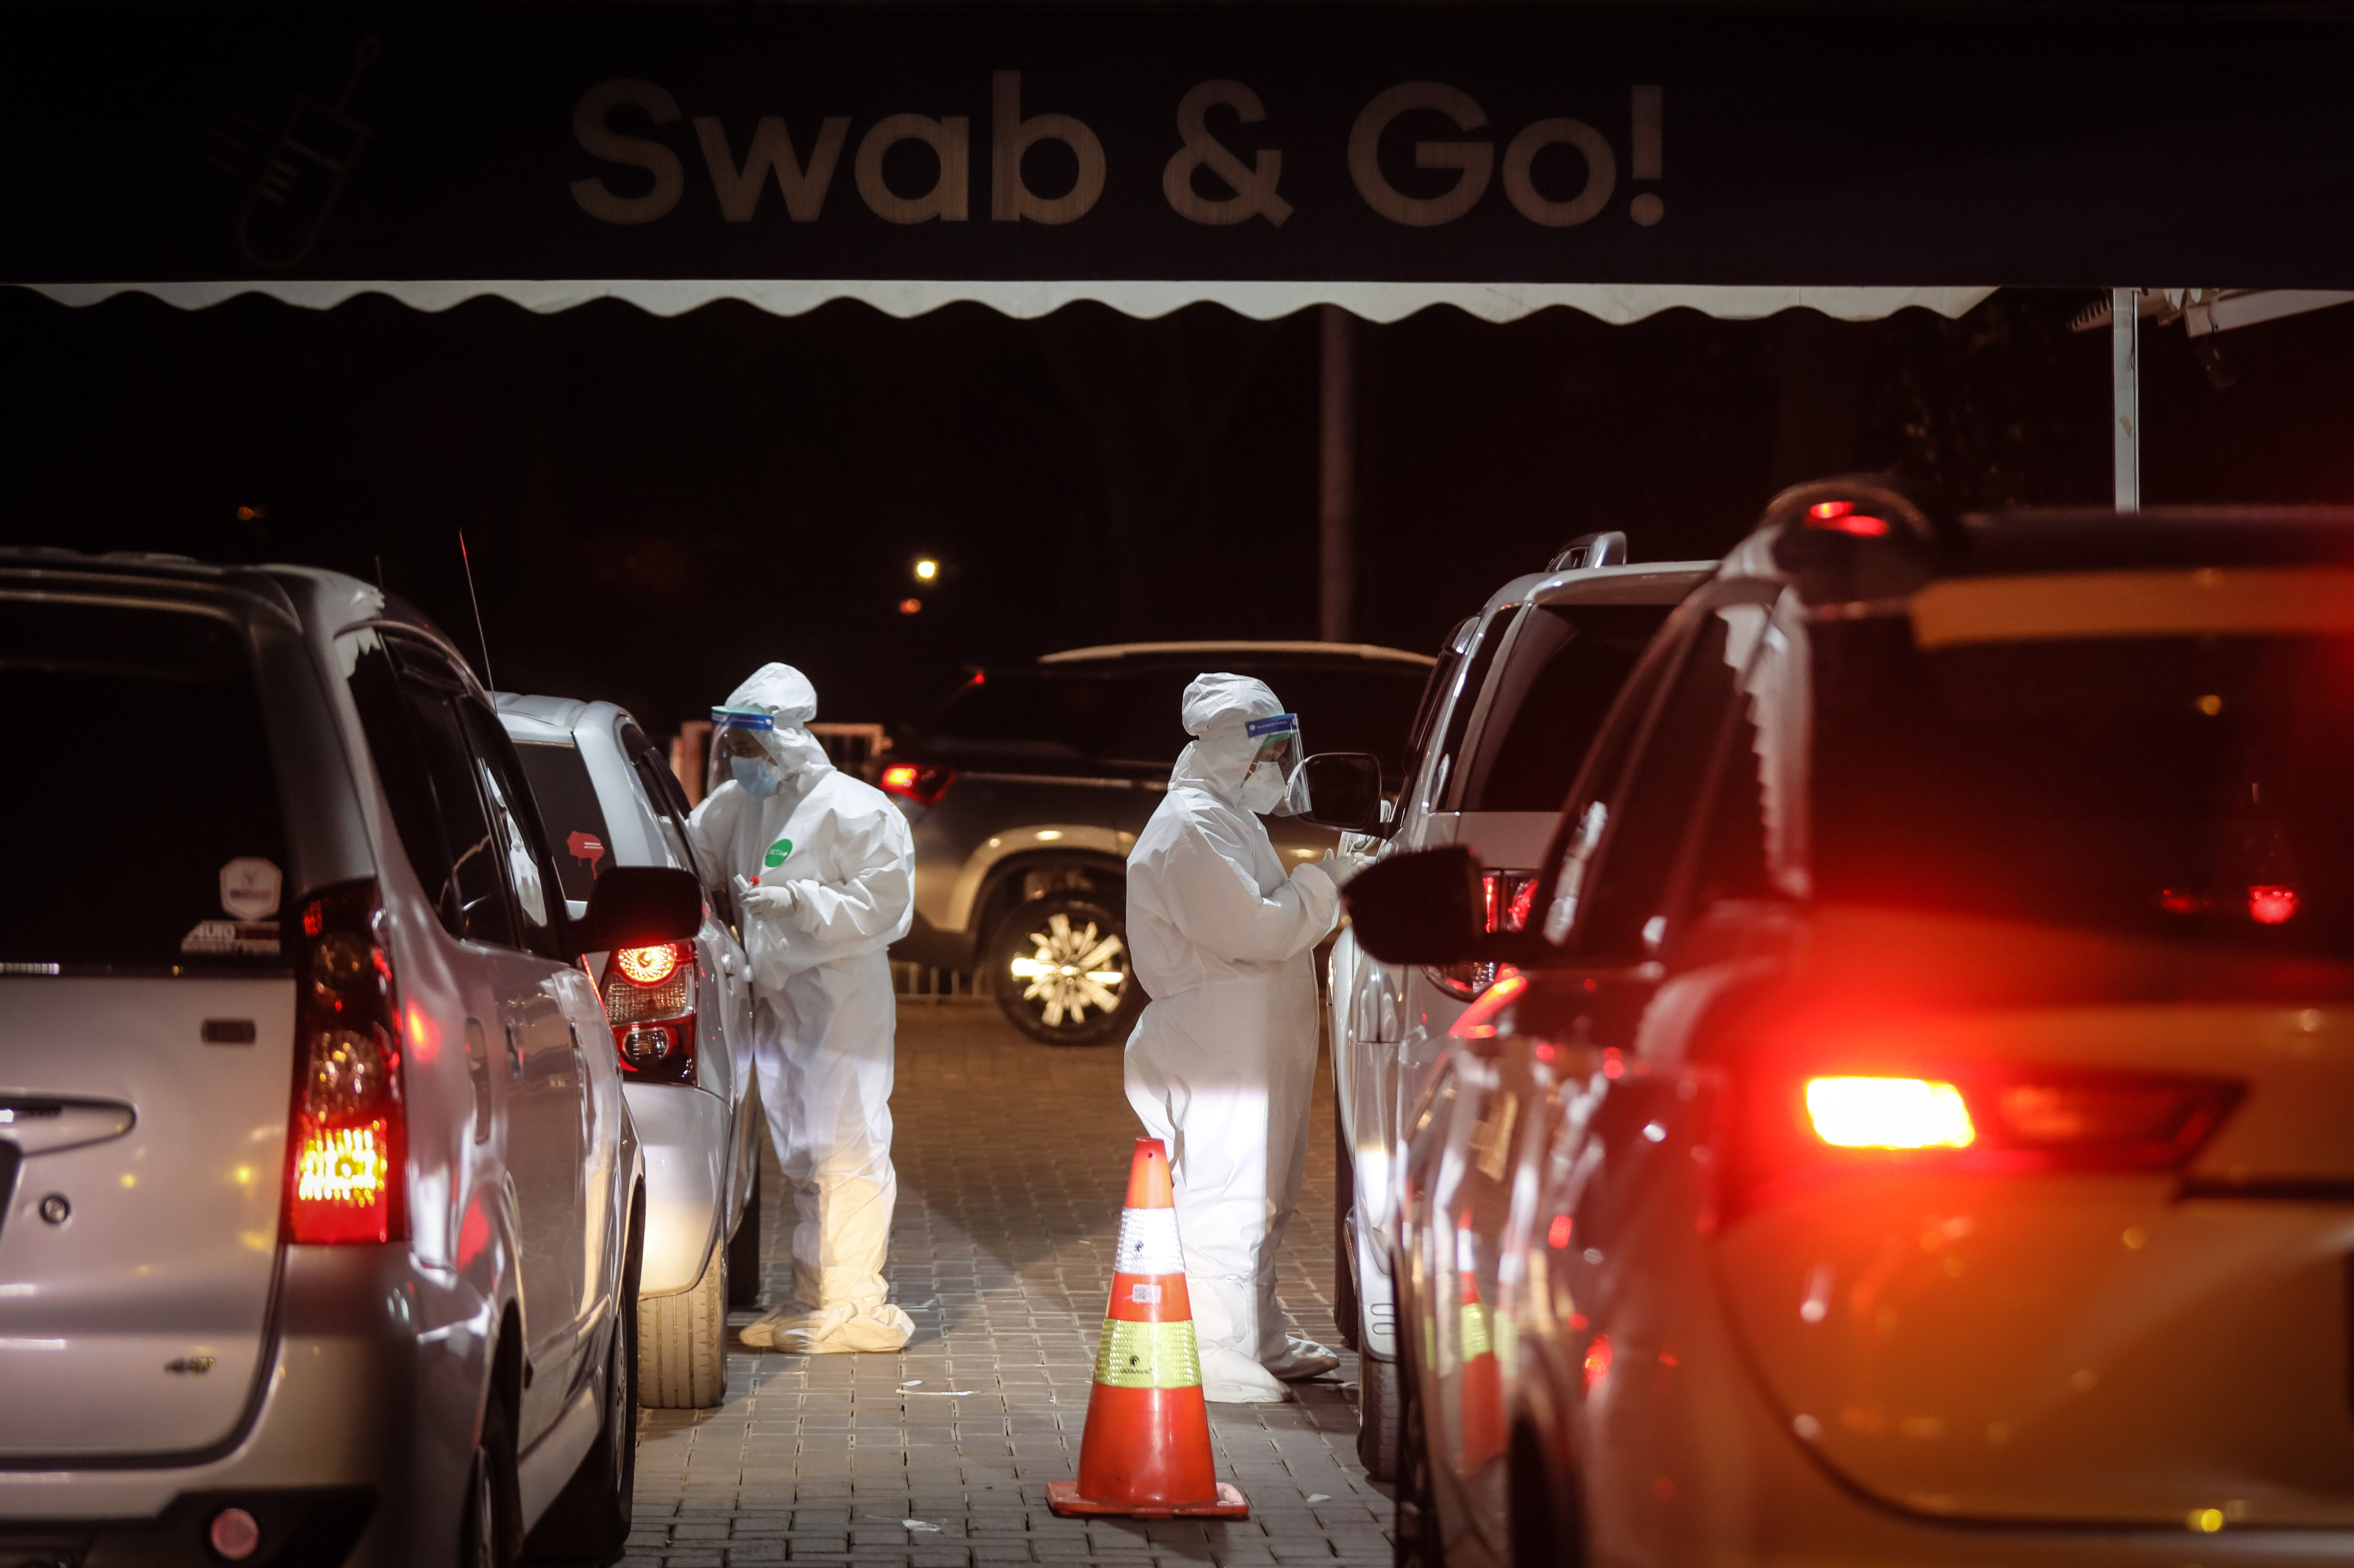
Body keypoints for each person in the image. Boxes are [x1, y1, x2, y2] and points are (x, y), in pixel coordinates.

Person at [1122, 672, 1344, 1402]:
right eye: (1268, 754)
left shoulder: (1225, 816)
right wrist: (1328, 884)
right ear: (1229, 752)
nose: (1277, 769)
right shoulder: (1189, 827)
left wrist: (1316, 890)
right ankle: (1215, 1351)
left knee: (1267, 1191)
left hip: (1248, 1034)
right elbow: (1257, 929)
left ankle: (1257, 1333)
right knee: (1228, 1191)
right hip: (1216, 1038)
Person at [688, 663, 917, 1353]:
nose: (738, 759)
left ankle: (854, 1301)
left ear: (788, 740)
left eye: (750, 747)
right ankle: (813, 1295)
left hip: (840, 998)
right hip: (779, 1001)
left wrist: (801, 902)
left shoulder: (857, 808)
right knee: (802, 1153)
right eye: (734, 746)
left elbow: (888, 907)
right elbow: (692, 855)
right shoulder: (740, 805)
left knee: (846, 1146)